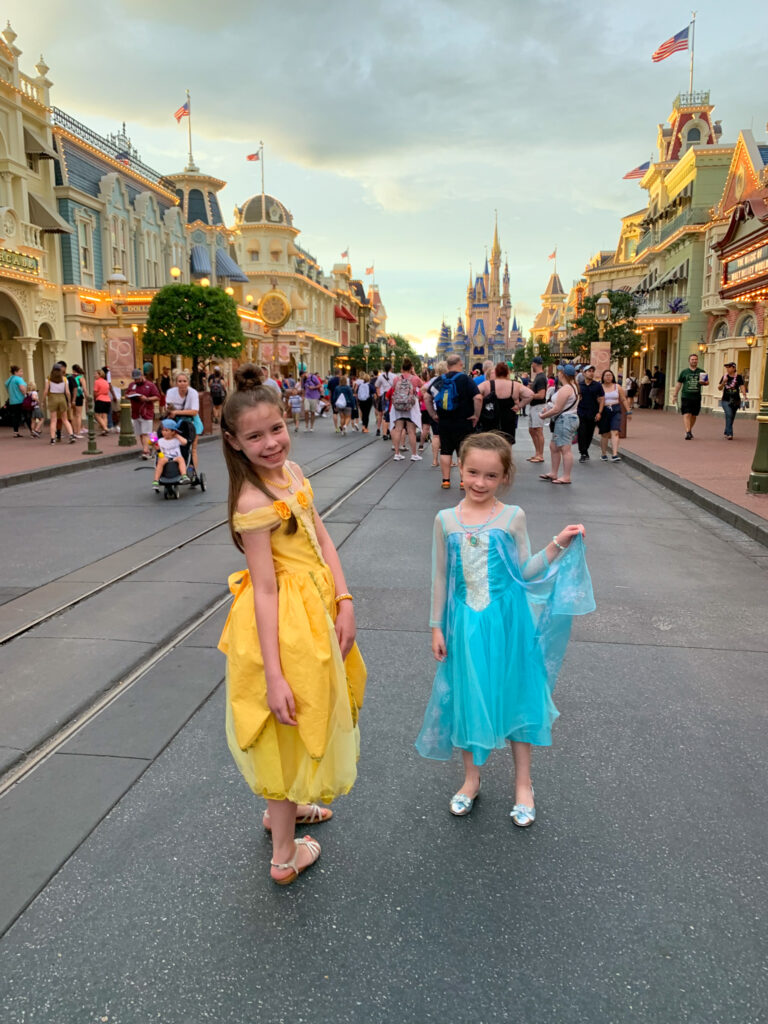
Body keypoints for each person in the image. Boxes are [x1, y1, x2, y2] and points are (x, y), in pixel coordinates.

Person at [217, 364, 366, 884]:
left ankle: (288, 809)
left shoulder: (293, 473)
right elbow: (264, 589)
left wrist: (344, 599)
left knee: (304, 717)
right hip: (284, 628)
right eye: (255, 437)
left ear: (288, 421)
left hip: (313, 613)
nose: (271, 443)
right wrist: (274, 674)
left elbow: (321, 538)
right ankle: (284, 856)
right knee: (284, 727)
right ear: (234, 443)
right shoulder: (253, 500)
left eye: (276, 429)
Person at [415, 432, 593, 826]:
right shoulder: (445, 520)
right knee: (468, 696)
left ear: (504, 477)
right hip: (465, 623)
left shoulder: (513, 516)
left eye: (491, 476)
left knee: (516, 696)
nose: (480, 482)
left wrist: (559, 543)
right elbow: (440, 577)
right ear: (459, 468)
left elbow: (525, 571)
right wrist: (436, 627)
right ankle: (471, 780)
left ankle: (523, 785)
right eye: (473, 472)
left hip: (509, 621)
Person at [423, 353, 481, 489]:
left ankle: (446, 480)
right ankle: (463, 481)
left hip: (444, 421)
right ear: (460, 364)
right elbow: (478, 398)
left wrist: (433, 414)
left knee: (445, 451)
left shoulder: (440, 380)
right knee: (463, 452)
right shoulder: (465, 379)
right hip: (464, 421)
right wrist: (476, 415)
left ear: (447, 365)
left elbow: (426, 397)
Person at [539, 364, 580, 483]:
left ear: (562, 374)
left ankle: (566, 476)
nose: (557, 374)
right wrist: (548, 408)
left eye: (559, 372)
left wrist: (543, 416)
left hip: (565, 420)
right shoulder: (572, 386)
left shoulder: (566, 388)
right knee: (554, 446)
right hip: (566, 419)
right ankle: (554, 473)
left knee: (565, 448)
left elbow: (557, 408)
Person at [477, 362, 532, 443]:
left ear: (496, 372)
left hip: (491, 417)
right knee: (507, 442)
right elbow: (530, 395)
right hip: (508, 418)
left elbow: (475, 395)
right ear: (507, 373)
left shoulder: (487, 384)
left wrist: (478, 411)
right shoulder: (514, 385)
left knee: (491, 442)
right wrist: (519, 406)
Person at [165, 370, 201, 469]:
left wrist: (176, 412)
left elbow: (194, 411)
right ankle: (176, 468)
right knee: (177, 446)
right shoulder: (171, 392)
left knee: (193, 448)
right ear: (176, 383)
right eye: (180, 381)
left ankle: (193, 470)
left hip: (192, 421)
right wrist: (171, 411)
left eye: (184, 381)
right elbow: (168, 408)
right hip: (176, 422)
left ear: (188, 382)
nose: (182, 383)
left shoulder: (193, 393)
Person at [389, 357, 422, 462]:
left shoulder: (396, 379)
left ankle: (397, 454)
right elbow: (423, 386)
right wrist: (414, 373)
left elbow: (393, 389)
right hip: (410, 407)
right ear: (411, 368)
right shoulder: (415, 379)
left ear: (402, 368)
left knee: (398, 430)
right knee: (411, 431)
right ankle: (414, 454)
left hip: (398, 406)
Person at [126, 368, 162, 459]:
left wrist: (147, 399)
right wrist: (129, 396)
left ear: (142, 376)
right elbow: (127, 394)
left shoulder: (150, 385)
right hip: (135, 412)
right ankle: (155, 447)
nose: (136, 380)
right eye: (135, 379)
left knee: (145, 432)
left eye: (138, 378)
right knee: (142, 433)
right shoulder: (132, 385)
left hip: (146, 412)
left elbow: (157, 397)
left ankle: (146, 451)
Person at [672, 353, 709, 440]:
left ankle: (689, 430)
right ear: (689, 361)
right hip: (686, 396)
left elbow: (707, 382)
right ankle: (688, 432)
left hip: (696, 397)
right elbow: (679, 384)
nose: (694, 361)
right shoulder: (684, 372)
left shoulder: (701, 372)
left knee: (694, 415)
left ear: (697, 361)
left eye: (695, 359)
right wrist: (675, 395)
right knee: (687, 413)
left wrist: (704, 382)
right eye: (692, 359)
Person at [597, 369, 630, 461]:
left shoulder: (617, 387)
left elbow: (623, 399)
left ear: (613, 377)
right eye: (606, 375)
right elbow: (596, 399)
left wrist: (628, 411)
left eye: (610, 375)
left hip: (615, 410)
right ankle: (604, 453)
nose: (608, 377)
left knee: (615, 431)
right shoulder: (599, 387)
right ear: (603, 377)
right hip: (604, 410)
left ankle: (615, 454)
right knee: (605, 433)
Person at [576, 364, 605, 464]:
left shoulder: (597, 385)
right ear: (584, 373)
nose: (591, 373)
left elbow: (602, 399)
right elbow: (576, 398)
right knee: (581, 433)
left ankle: (585, 450)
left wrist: (599, 412)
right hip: (581, 412)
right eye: (589, 371)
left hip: (593, 413)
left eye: (593, 371)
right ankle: (583, 453)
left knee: (589, 433)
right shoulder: (579, 385)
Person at [43, 364, 76, 444]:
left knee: (53, 420)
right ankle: (71, 435)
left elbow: (46, 391)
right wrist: (69, 401)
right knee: (65, 419)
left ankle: (52, 438)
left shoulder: (49, 379)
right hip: (62, 397)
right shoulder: (64, 379)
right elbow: (67, 392)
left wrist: (43, 401)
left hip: (52, 397)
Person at [152, 419, 189, 489]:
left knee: (181, 459)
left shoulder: (176, 440)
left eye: (166, 430)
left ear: (173, 432)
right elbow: (157, 447)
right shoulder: (161, 440)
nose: (163, 432)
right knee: (160, 461)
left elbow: (185, 442)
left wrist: (177, 435)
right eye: (163, 430)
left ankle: (184, 476)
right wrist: (153, 442)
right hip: (165, 457)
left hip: (176, 457)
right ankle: (156, 480)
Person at [526, 355, 548, 464]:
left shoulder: (541, 378)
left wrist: (530, 395)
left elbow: (541, 395)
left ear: (535, 364)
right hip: (534, 406)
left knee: (538, 430)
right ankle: (537, 453)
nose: (531, 365)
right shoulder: (538, 377)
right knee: (532, 430)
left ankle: (540, 455)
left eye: (532, 364)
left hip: (538, 406)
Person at [717, 362, 747, 440]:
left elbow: (742, 386)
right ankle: (730, 434)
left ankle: (726, 431)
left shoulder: (739, 377)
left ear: (734, 368)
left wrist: (744, 394)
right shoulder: (724, 377)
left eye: (729, 367)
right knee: (729, 414)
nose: (727, 369)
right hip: (725, 400)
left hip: (736, 400)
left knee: (731, 417)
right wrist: (723, 382)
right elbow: (719, 388)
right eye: (726, 368)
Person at [4, 365, 28, 437]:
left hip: (12, 401)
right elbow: (22, 388)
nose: (22, 373)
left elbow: (7, 389)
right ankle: (32, 431)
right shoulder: (19, 379)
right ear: (15, 372)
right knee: (27, 416)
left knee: (15, 417)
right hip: (21, 400)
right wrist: (26, 395)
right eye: (20, 371)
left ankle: (16, 432)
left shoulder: (9, 380)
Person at [375, 364, 396, 440]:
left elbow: (377, 385)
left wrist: (379, 394)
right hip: (392, 394)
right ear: (390, 368)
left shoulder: (381, 376)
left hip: (385, 395)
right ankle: (390, 431)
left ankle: (384, 433)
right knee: (392, 413)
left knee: (385, 414)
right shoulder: (394, 376)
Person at [92, 368, 112, 435]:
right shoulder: (106, 381)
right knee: (104, 415)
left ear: (100, 374)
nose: (94, 375)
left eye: (96, 374)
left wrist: (95, 398)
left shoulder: (97, 382)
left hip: (100, 399)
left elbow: (95, 392)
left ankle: (105, 428)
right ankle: (104, 430)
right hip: (107, 399)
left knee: (97, 415)